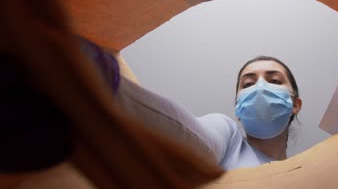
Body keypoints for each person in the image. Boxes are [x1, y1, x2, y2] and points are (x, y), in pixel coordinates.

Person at [100, 43, 302, 170]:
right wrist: (102, 80)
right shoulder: (228, 136)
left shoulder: (307, 169)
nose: (260, 88)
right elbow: (189, 140)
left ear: (295, 104)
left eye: (274, 80)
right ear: (238, 108)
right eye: (248, 84)